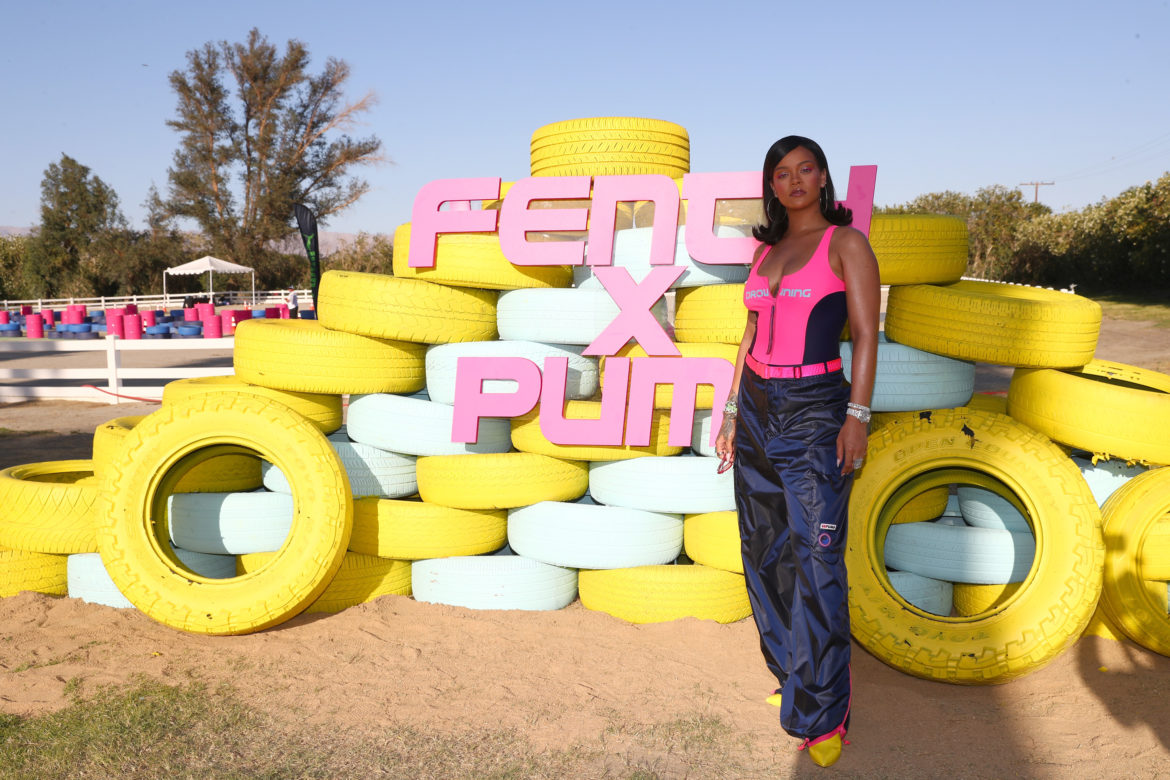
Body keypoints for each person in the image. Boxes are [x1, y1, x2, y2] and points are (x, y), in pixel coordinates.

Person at [715, 135, 879, 768]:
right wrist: (732, 412)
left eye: (805, 169)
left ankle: (823, 713)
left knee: (817, 559)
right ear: (772, 186)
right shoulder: (765, 251)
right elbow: (749, 334)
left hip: (814, 411)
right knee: (765, 548)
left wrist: (856, 417)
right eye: (782, 173)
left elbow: (865, 335)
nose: (794, 181)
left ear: (823, 177)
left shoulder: (846, 243)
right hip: (757, 406)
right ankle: (792, 676)